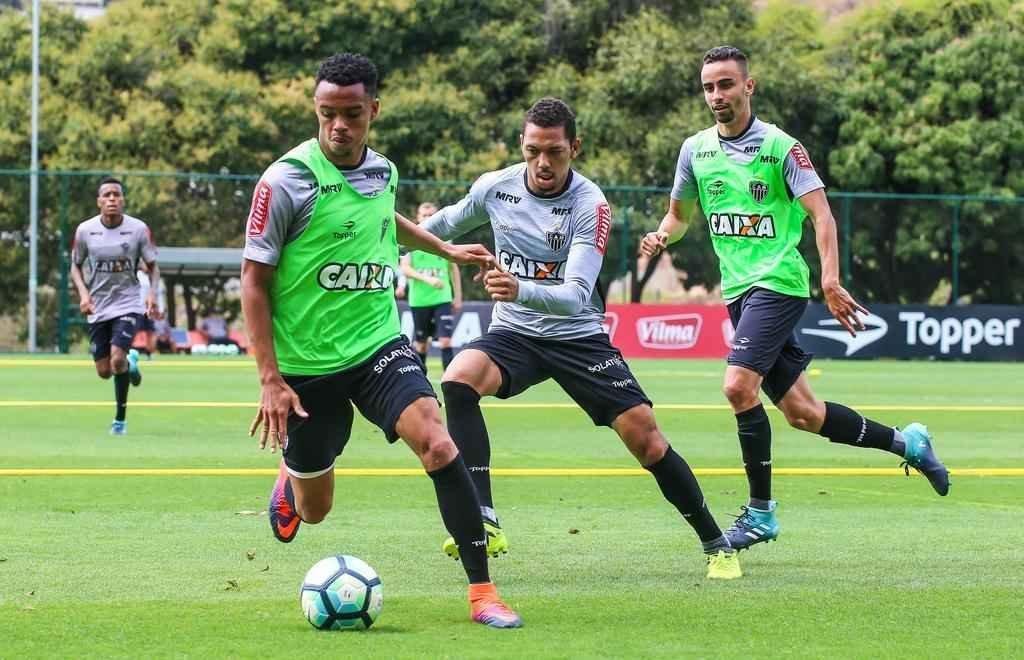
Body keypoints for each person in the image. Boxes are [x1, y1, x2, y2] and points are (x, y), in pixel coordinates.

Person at [241, 52, 521, 628]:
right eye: (327, 114)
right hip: (307, 366)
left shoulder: (383, 171)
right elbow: (253, 280)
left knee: (440, 445)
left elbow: (383, 216)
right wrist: (269, 378)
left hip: (376, 345)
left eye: (351, 114)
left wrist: (442, 247)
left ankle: (482, 593)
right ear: (316, 112)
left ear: (373, 109)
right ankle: (293, 480)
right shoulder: (285, 180)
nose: (338, 126)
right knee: (316, 512)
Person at [640, 46, 949, 551]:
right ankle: (907, 442)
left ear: (748, 86)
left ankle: (761, 514)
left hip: (779, 283)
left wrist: (829, 280)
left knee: (738, 387)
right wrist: (660, 236)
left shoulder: (782, 148)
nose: (717, 95)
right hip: (739, 293)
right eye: (709, 87)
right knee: (804, 412)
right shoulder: (695, 150)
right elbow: (679, 218)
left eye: (726, 84)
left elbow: (821, 216)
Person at [421, 97, 742, 580]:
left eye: (554, 152)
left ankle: (717, 544)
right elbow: (441, 225)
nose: (543, 163)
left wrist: (518, 287)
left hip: (577, 337)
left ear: (575, 147)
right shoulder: (495, 187)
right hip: (516, 332)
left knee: (648, 442)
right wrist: (387, 240)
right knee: (458, 379)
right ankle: (484, 516)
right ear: (522, 147)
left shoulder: (590, 205)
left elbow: (574, 297)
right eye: (533, 151)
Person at [70, 176, 159, 436]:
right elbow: (75, 264)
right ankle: (131, 364)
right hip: (98, 305)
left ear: (123, 200)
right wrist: (84, 295)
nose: (112, 199)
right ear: (99, 201)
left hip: (128, 302)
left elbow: (153, 266)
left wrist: (151, 293)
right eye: (107, 195)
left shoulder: (138, 229)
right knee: (104, 371)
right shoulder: (85, 230)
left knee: (116, 359)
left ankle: (120, 420)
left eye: (116, 195)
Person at [401, 201, 463, 373]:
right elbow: (405, 268)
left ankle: (451, 382)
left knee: (446, 341)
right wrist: (427, 279)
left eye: (431, 215)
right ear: (418, 218)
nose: (428, 219)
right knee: (421, 345)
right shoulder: (409, 241)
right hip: (419, 301)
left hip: (442, 298)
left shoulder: (445, 240)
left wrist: (457, 296)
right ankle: (421, 383)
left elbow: (453, 268)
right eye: (424, 215)